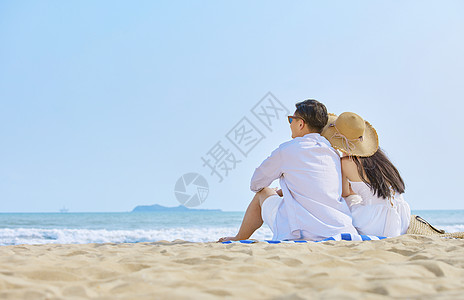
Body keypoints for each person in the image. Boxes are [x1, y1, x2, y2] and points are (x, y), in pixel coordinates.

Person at [218, 100, 357, 242]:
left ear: (301, 124)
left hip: (303, 230)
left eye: (291, 119)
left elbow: (255, 184)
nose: (290, 124)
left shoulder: (287, 150)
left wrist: (275, 189)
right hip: (338, 226)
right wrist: (285, 189)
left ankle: (239, 237)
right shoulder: (332, 153)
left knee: (263, 192)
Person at [321, 112, 411, 237]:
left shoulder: (346, 163)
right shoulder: (380, 159)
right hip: (402, 217)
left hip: (377, 221)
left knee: (346, 201)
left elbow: (344, 193)